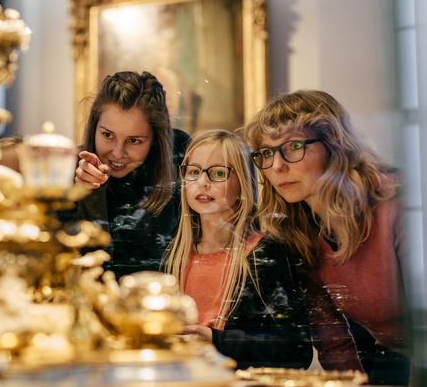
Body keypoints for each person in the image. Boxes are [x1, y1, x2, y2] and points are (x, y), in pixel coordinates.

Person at [243, 89, 410, 385]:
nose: (277, 166)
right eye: (266, 153)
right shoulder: (297, 229)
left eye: (293, 146)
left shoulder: (396, 203)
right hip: (388, 359)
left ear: (334, 146)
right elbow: (334, 341)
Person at [162, 129, 312, 369]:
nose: (202, 182)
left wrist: (217, 340)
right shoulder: (173, 256)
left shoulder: (264, 255)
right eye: (193, 172)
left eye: (218, 173)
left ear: (242, 184)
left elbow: (295, 349)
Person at [74, 71, 190, 278]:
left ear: (156, 138)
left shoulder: (182, 160)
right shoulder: (68, 170)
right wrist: (88, 197)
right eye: (107, 135)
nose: (118, 152)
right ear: (94, 127)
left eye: (134, 140)